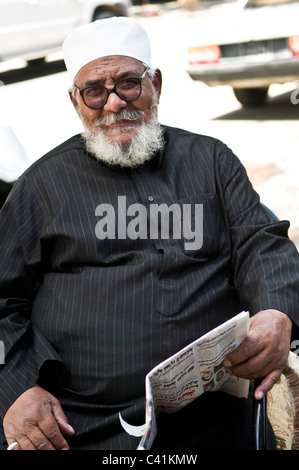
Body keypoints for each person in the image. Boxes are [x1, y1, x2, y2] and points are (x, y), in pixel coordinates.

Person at [0, 16, 298, 451]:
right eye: (95, 91)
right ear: (76, 102)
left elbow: (262, 242)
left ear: (156, 83)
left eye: (128, 83)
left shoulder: (210, 160)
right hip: (83, 424)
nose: (115, 103)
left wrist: (276, 312)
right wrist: (18, 388)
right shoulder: (43, 185)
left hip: (212, 407)